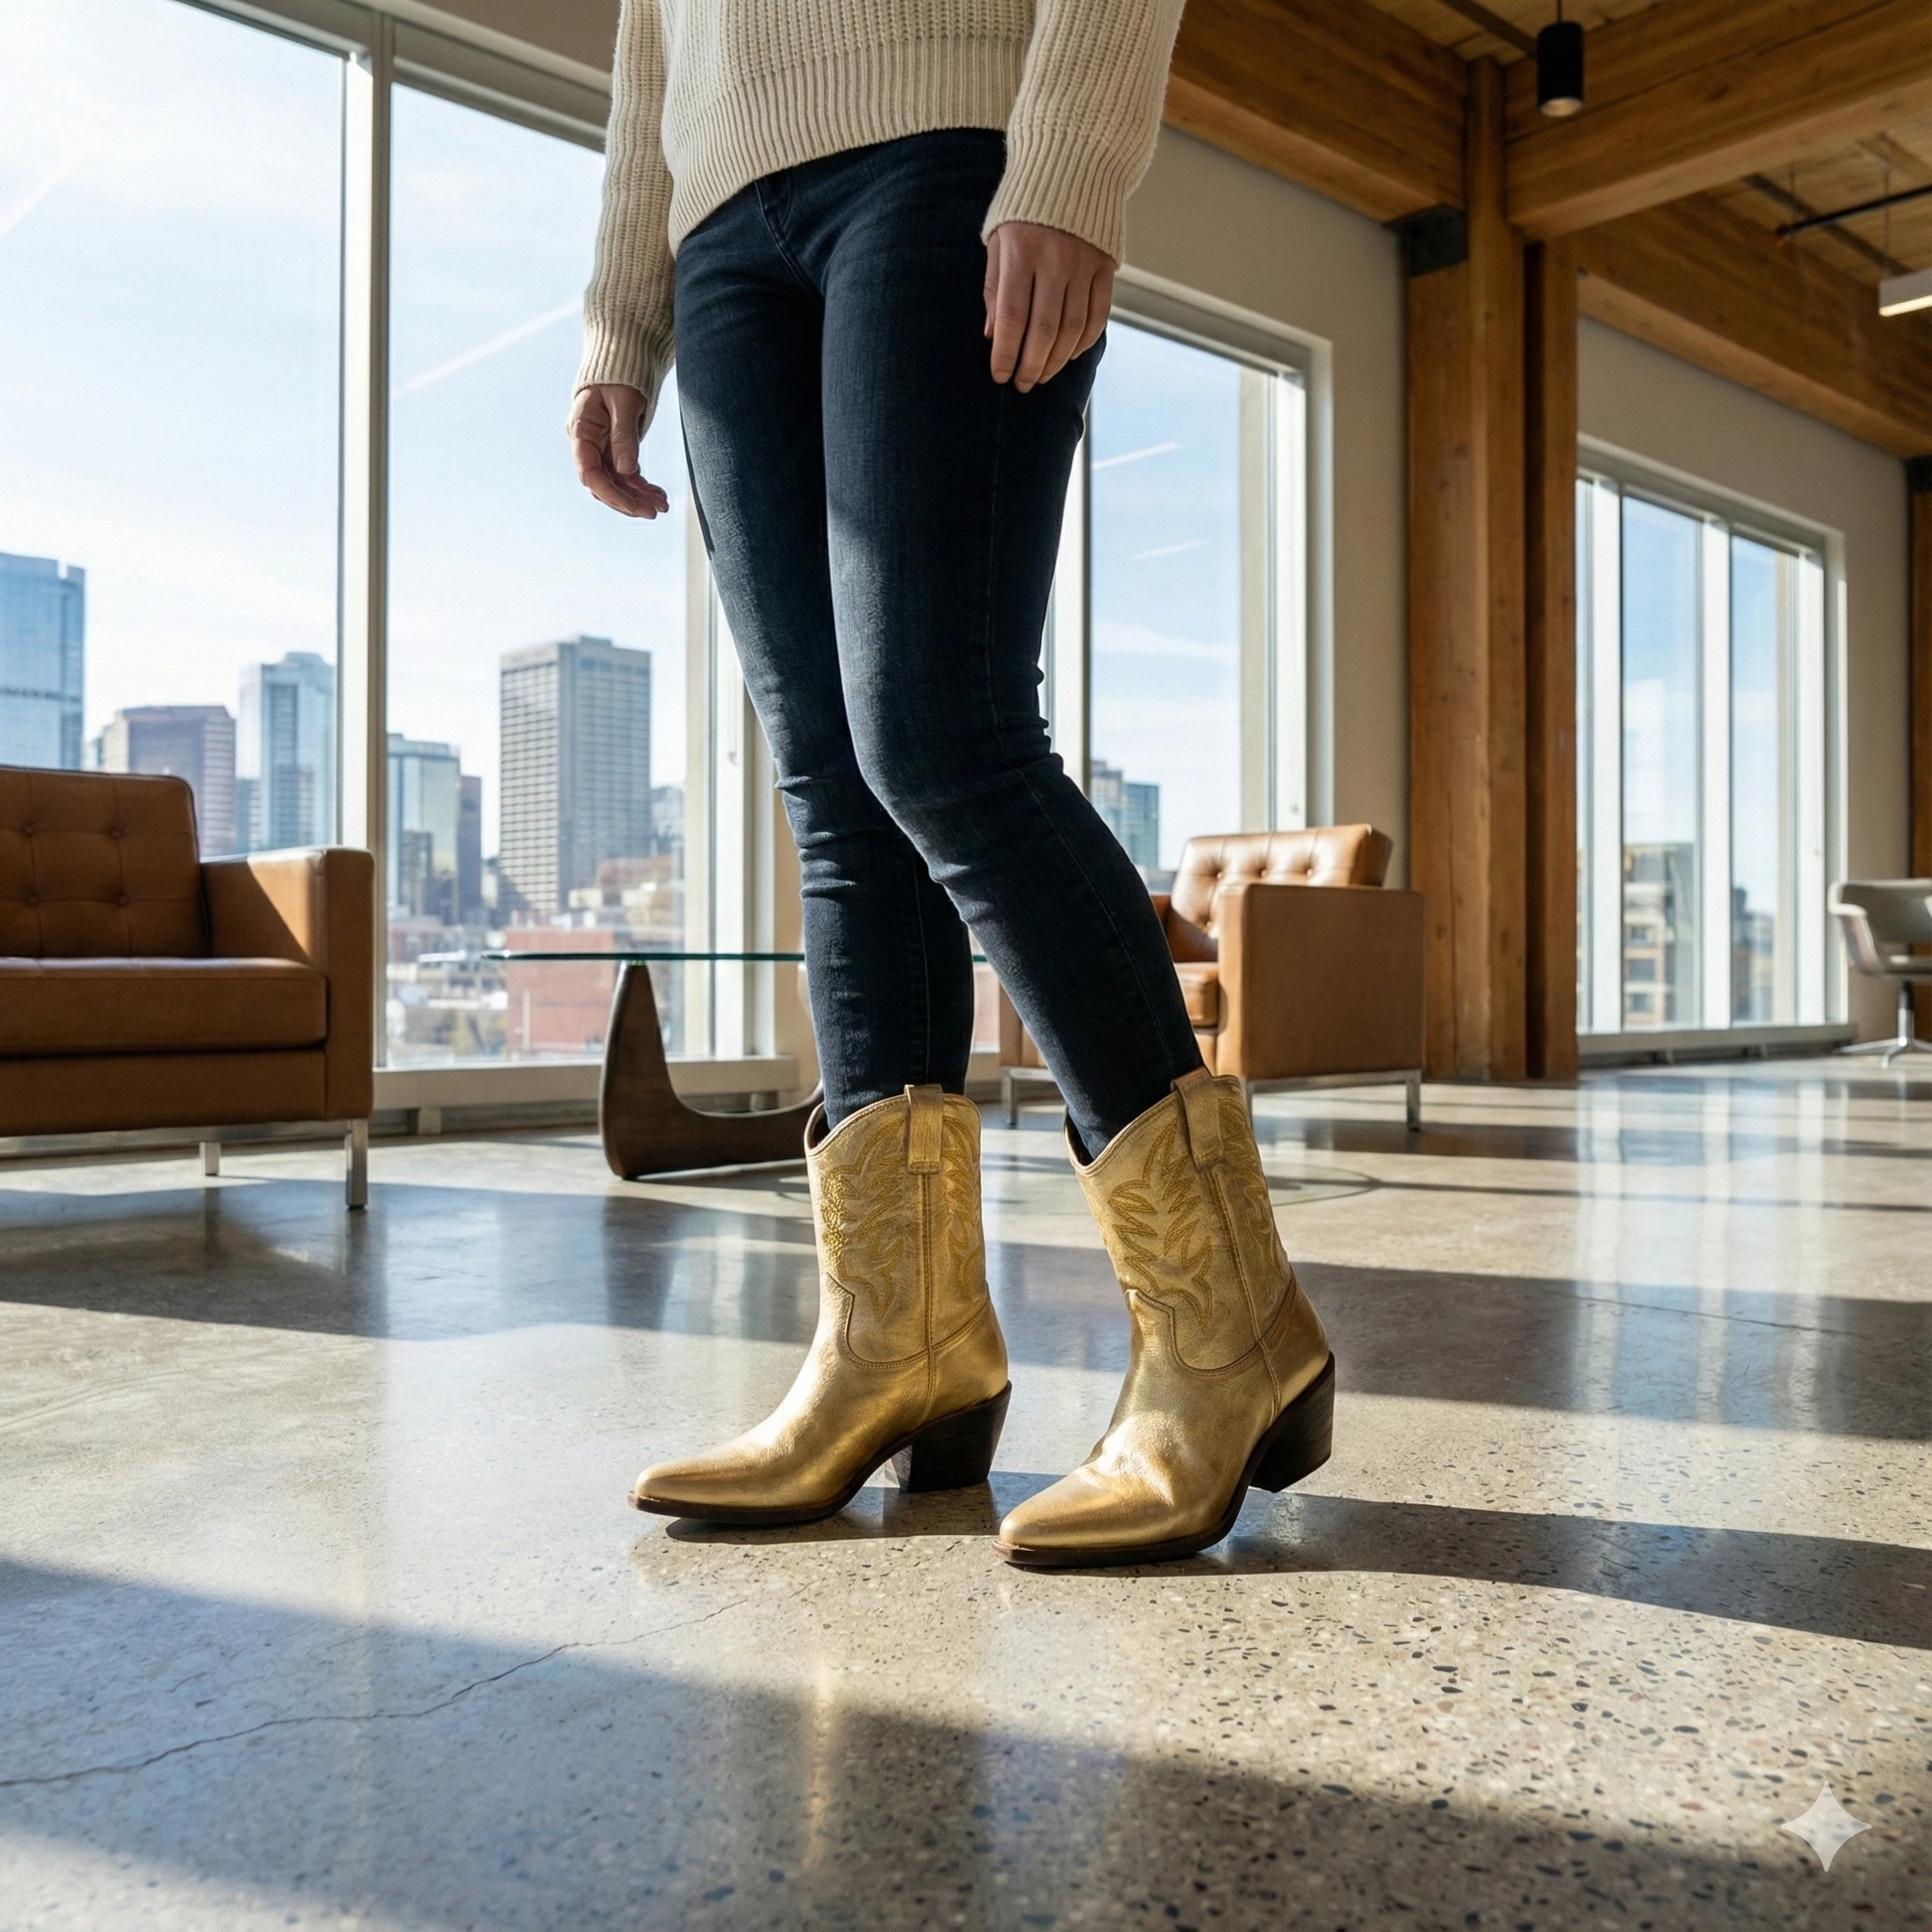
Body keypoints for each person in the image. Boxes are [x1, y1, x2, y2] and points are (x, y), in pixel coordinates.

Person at [569, 0, 1334, 1569]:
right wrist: (615, 324)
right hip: (718, 222)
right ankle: (897, 1339)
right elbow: (650, 42)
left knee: (939, 729)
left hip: (943, 143)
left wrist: (1066, 157)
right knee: (835, 792)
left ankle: (1228, 1328)